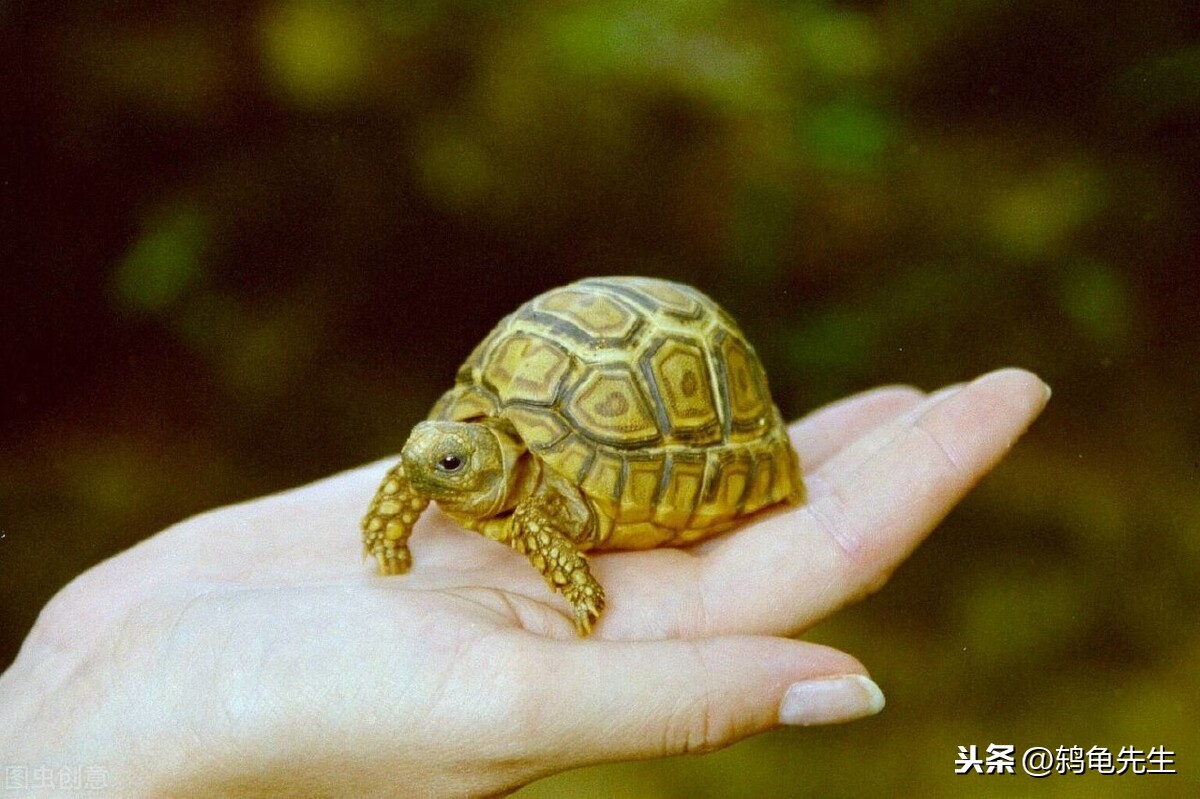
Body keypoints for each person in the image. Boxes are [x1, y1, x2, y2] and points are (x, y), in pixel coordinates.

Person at [0, 369, 1048, 797]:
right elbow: (418, 475)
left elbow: (545, 524)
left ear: (496, 459)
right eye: (432, 460)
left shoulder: (537, 490)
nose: (428, 475)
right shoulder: (444, 459)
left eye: (454, 464)